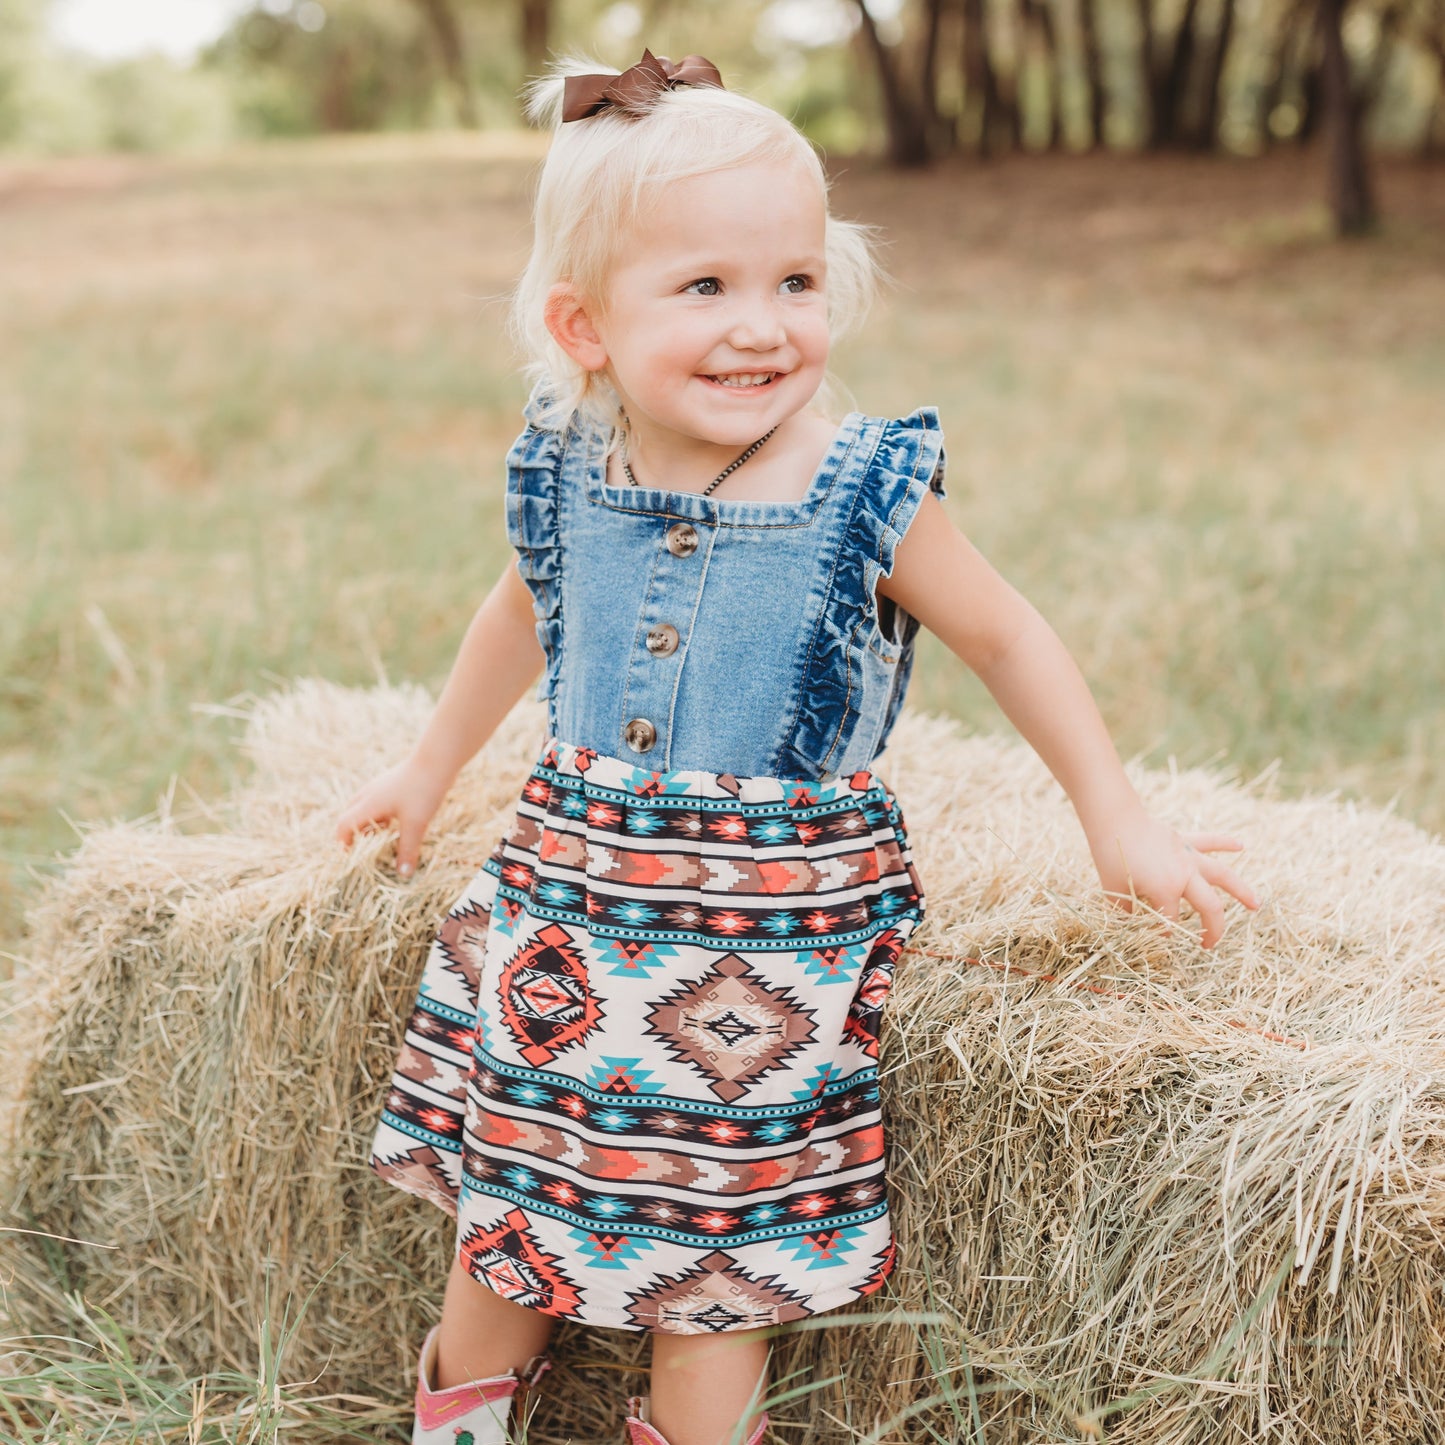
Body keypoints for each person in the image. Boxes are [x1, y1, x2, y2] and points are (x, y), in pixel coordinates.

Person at [337, 49, 1259, 1445]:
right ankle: (460, 1419)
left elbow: (1010, 636)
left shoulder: (859, 486)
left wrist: (1113, 819)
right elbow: (523, 612)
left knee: (714, 1266)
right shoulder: (571, 466)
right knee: (508, 1206)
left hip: (756, 951)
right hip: (569, 917)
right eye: (704, 287)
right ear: (582, 325)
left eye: (795, 282)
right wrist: (425, 766)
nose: (759, 327)